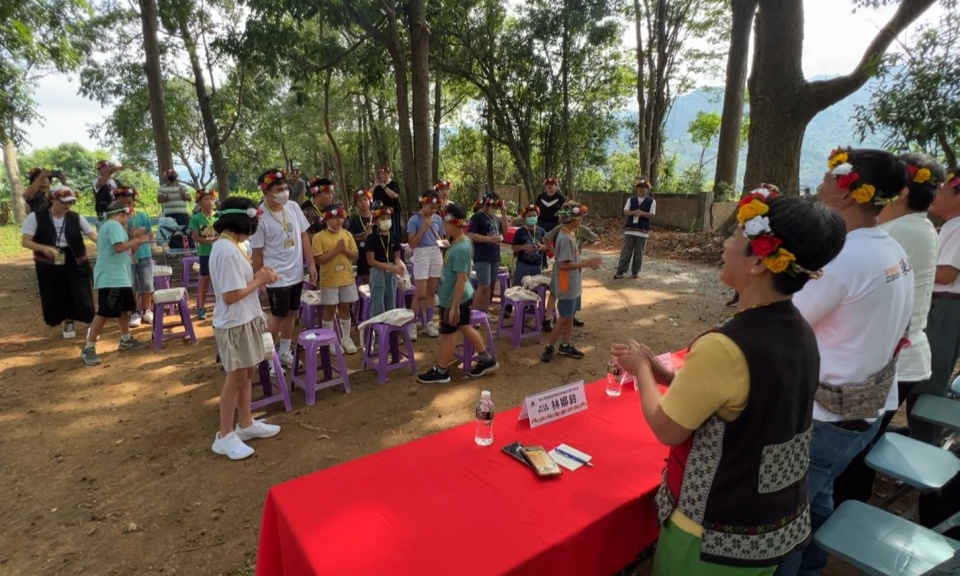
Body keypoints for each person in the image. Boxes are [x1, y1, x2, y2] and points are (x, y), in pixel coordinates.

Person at [611, 190, 847, 576]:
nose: (724, 244)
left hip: (710, 533)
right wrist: (661, 372)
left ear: (759, 260)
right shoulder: (799, 329)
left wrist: (640, 371)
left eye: (735, 236)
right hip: (770, 525)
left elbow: (667, 428)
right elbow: (740, 401)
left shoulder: (724, 346)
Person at [776, 149, 913, 576]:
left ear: (848, 193)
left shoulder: (842, 258)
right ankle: (813, 567)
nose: (819, 184)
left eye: (827, 177)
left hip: (824, 418)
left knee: (785, 516)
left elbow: (782, 321)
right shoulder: (892, 249)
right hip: (863, 410)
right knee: (818, 497)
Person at [833, 153, 942, 504]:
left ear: (902, 192)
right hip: (906, 357)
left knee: (852, 453)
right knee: (862, 445)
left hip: (892, 361)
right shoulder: (921, 227)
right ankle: (850, 506)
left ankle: (845, 512)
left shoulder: (893, 234)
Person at [208, 197, 282, 460]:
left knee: (247, 372)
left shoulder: (233, 246)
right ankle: (224, 435)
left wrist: (260, 275)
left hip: (245, 319)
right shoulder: (226, 250)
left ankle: (246, 423)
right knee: (236, 378)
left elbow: (240, 284)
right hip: (234, 323)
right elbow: (230, 296)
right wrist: (260, 279)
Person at [416, 203, 499, 383]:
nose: (444, 226)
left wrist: (454, 306)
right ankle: (486, 359)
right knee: (464, 326)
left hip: (455, 298)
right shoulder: (460, 241)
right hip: (456, 296)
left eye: (445, 222)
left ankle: (441, 371)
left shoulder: (461, 247)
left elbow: (461, 278)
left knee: (448, 333)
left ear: (452, 224)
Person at [250, 168, 318, 367]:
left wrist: (311, 263)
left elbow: (304, 236)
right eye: (279, 190)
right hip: (276, 277)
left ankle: (285, 351)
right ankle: (266, 358)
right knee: (278, 316)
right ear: (266, 192)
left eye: (285, 188)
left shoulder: (294, 207)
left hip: (296, 273)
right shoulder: (260, 217)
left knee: (291, 313)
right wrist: (260, 278)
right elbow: (256, 252)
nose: (284, 193)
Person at [20, 184, 97, 339]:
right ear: (52, 200)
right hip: (49, 260)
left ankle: (92, 325)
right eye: (64, 202)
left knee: (82, 291)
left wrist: (105, 243)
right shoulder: (36, 217)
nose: (67, 206)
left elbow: (92, 235)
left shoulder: (76, 217)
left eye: (70, 202)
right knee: (57, 291)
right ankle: (68, 322)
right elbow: (26, 241)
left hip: (75, 258)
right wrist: (44, 248)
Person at [82, 201, 152, 365]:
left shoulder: (114, 227)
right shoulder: (113, 226)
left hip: (119, 277)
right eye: (128, 216)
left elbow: (128, 252)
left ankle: (125, 338)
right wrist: (137, 239)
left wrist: (137, 240)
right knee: (104, 311)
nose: (128, 219)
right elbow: (119, 248)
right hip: (111, 277)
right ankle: (89, 347)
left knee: (122, 309)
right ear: (122, 214)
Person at [922, 168, 960, 442]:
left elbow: (946, 274)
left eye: (941, 189)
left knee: (931, 374)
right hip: (944, 306)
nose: (934, 194)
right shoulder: (951, 225)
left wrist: (912, 264)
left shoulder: (958, 228)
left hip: (945, 306)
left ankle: (925, 440)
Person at [540, 202, 600, 362]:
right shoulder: (565, 237)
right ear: (572, 219)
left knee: (570, 315)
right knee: (564, 317)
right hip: (567, 284)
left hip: (573, 283)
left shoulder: (570, 233)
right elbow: (563, 265)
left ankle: (565, 344)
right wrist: (586, 263)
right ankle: (549, 347)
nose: (581, 219)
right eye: (579, 217)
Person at [312, 203, 360, 354]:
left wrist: (344, 250)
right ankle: (330, 340)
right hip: (330, 280)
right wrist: (337, 251)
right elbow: (318, 259)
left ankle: (346, 338)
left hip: (347, 278)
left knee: (345, 307)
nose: (339, 220)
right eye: (335, 217)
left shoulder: (347, 234)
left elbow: (355, 255)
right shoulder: (319, 237)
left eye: (341, 217)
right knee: (330, 309)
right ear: (326, 219)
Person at [543, 217, 597, 329]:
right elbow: (545, 239)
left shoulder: (581, 229)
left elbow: (594, 238)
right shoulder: (560, 230)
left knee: (573, 292)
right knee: (555, 291)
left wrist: (580, 246)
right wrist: (554, 251)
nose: (581, 220)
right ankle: (548, 319)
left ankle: (571, 316)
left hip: (574, 265)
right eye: (579, 218)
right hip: (563, 267)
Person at [406, 190, 445, 340]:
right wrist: (423, 228)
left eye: (436, 208)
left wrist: (444, 244)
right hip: (421, 253)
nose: (433, 210)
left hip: (436, 253)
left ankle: (429, 322)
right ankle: (411, 323)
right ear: (423, 203)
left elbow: (442, 238)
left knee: (431, 292)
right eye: (430, 207)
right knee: (420, 293)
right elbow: (412, 244)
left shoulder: (438, 219)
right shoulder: (414, 219)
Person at [114, 187, 155, 327]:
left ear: (134, 202)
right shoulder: (116, 220)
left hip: (144, 255)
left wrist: (142, 238)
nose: (126, 206)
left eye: (129, 203)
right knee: (131, 285)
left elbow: (150, 234)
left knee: (146, 283)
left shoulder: (142, 216)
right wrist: (134, 237)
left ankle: (147, 310)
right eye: (122, 203)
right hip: (126, 258)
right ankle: (135, 312)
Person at [467, 191, 509, 315]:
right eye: (493, 206)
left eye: (497, 207)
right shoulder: (477, 217)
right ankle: (473, 313)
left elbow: (505, 230)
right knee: (483, 285)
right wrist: (490, 239)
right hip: (482, 256)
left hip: (494, 255)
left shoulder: (495, 218)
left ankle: (484, 311)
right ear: (485, 204)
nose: (495, 209)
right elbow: (471, 235)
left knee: (489, 286)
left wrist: (504, 212)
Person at [614, 178, 656, 279]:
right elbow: (625, 212)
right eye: (639, 188)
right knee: (625, 251)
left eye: (643, 188)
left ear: (647, 189)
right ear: (637, 189)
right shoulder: (631, 199)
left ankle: (635, 272)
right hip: (630, 230)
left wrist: (642, 213)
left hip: (643, 231)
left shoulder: (651, 201)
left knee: (639, 253)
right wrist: (634, 212)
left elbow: (652, 214)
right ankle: (620, 270)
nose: (641, 189)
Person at [189, 189, 219, 320]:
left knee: (220, 279)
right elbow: (195, 237)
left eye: (212, 199)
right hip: (205, 253)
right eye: (206, 199)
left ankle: (221, 306)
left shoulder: (219, 216)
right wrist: (211, 240)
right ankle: (201, 307)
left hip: (219, 253)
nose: (210, 201)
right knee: (204, 279)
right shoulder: (196, 218)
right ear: (199, 202)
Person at [511, 204, 547, 286]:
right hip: (523, 265)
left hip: (537, 265)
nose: (532, 218)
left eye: (534, 215)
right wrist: (524, 247)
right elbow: (513, 247)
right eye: (529, 216)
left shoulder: (541, 231)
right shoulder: (520, 232)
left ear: (537, 216)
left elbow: (547, 246)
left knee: (535, 287)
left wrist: (542, 247)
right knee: (519, 287)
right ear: (525, 218)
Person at [345, 189, 375, 285]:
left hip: (376, 252)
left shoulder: (376, 217)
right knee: (366, 279)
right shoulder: (354, 219)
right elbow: (349, 236)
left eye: (365, 200)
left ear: (370, 201)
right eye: (360, 201)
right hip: (362, 253)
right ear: (356, 204)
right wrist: (363, 234)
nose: (363, 203)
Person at [372, 166, 402, 244]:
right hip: (379, 212)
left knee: (392, 228)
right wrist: (374, 186)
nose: (383, 176)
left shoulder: (393, 184)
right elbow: (369, 195)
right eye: (382, 174)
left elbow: (394, 195)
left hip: (391, 212)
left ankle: (394, 242)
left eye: (385, 174)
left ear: (389, 174)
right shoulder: (377, 185)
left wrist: (384, 187)